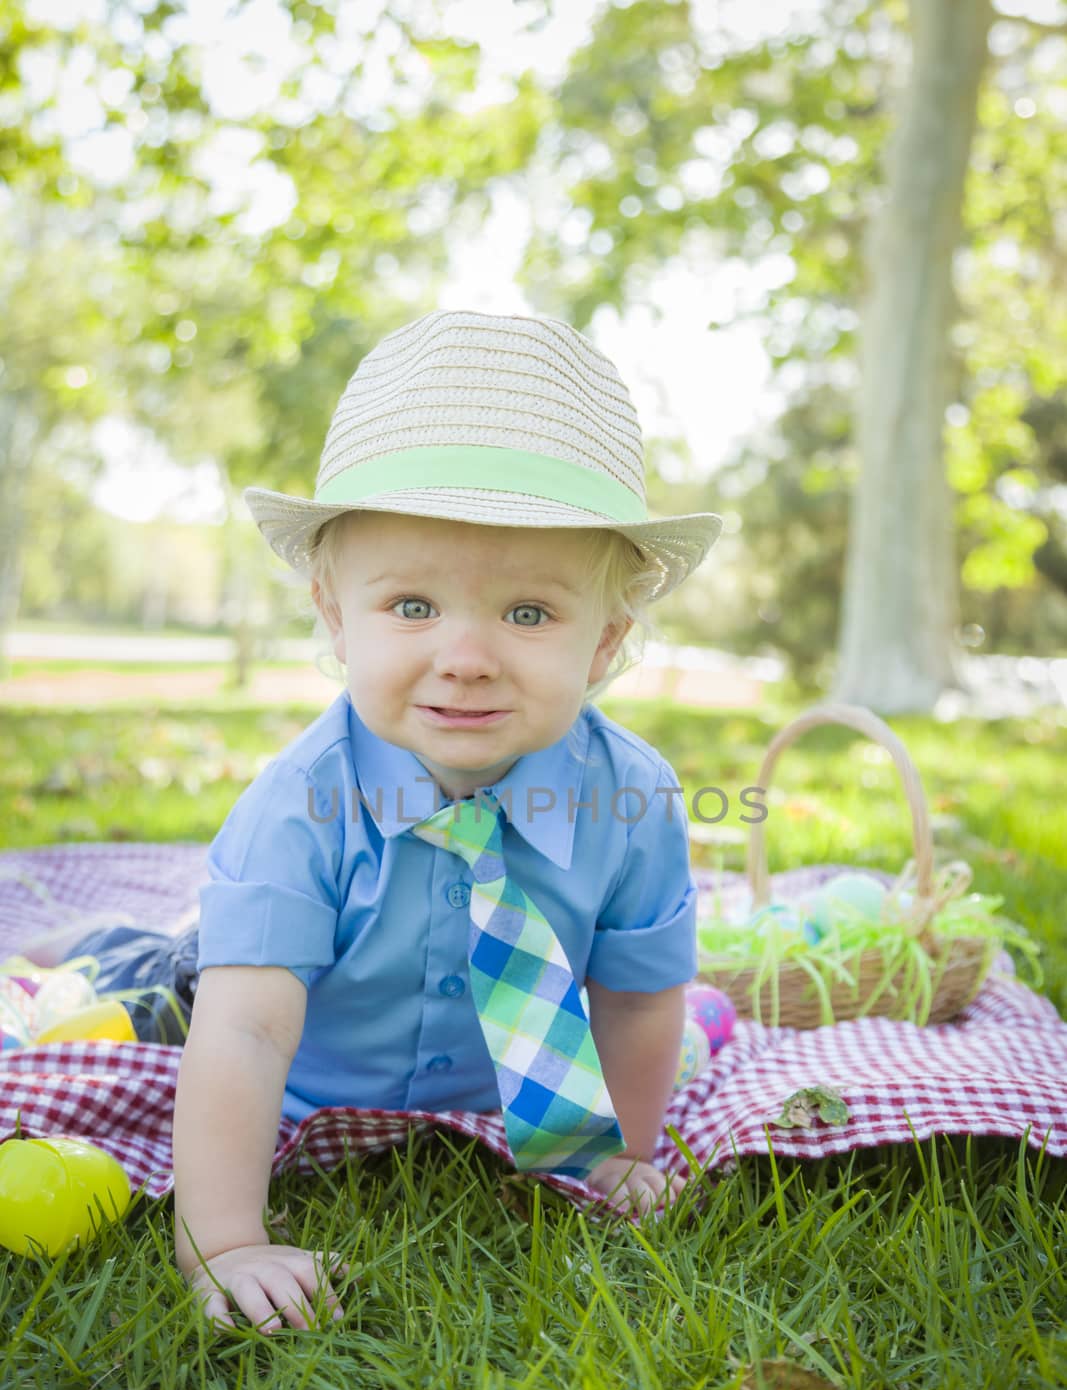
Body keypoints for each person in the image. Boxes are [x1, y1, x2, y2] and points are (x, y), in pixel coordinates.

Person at [27, 309, 724, 1336]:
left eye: (528, 614)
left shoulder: (632, 800)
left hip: (490, 1077)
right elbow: (250, 1025)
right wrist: (224, 1240)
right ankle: (91, 941)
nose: (467, 654)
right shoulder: (297, 804)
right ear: (331, 611)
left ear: (607, 640)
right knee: (150, 983)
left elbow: (636, 995)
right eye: (410, 606)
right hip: (279, 1040)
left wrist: (620, 1148)